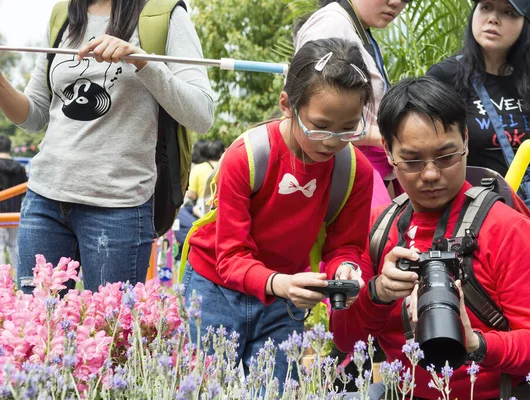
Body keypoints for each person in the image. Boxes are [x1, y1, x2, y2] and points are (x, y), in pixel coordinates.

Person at [331, 77, 530, 399]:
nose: (430, 174)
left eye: (446, 156)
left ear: (465, 139)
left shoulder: (509, 231)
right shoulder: (378, 229)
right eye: (412, 160)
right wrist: (378, 293)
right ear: (387, 150)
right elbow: (345, 339)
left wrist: (476, 343)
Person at [181, 38, 373, 388]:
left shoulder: (354, 171)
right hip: (215, 287)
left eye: (349, 127)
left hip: (285, 295)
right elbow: (230, 256)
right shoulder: (248, 156)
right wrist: (279, 283)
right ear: (287, 104)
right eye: (320, 125)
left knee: (277, 389)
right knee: (204, 388)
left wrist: (346, 268)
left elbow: (345, 245)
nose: (332, 140)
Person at [0, 0, 214, 292]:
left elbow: (202, 114)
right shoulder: (64, 13)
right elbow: (35, 115)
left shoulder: (164, 14)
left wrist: (142, 60)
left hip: (118, 207)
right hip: (44, 200)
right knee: (38, 330)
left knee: (110, 334)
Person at [426, 0, 530, 256]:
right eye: (486, 7)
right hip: (465, 221)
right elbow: (428, 154)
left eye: (508, 12)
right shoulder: (444, 76)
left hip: (517, 221)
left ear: (524, 24)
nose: (493, 18)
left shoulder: (529, 81)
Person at [294, 0, 411, 206]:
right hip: (343, 161)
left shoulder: (355, 27)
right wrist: (391, 137)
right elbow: (319, 115)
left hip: (364, 162)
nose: (396, 3)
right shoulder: (331, 25)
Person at [0, 136, 28, 267]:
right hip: (15, 210)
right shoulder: (19, 167)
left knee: (0, 248)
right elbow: (24, 190)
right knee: (14, 246)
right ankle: (17, 280)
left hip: (0, 212)